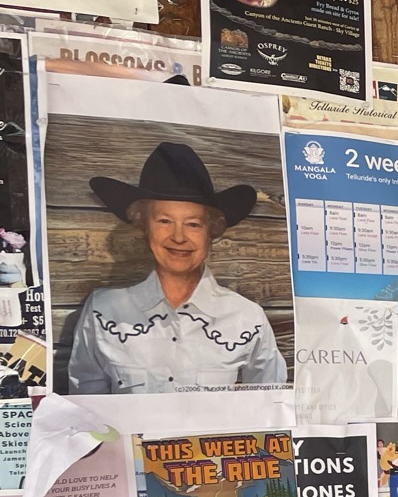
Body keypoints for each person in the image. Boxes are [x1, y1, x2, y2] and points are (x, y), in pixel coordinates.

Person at [69, 142, 287, 394]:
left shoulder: (247, 317)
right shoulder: (104, 310)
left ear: (211, 232)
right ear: (145, 227)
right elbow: (87, 409)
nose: (179, 237)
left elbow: (271, 406)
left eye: (193, 224)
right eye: (164, 221)